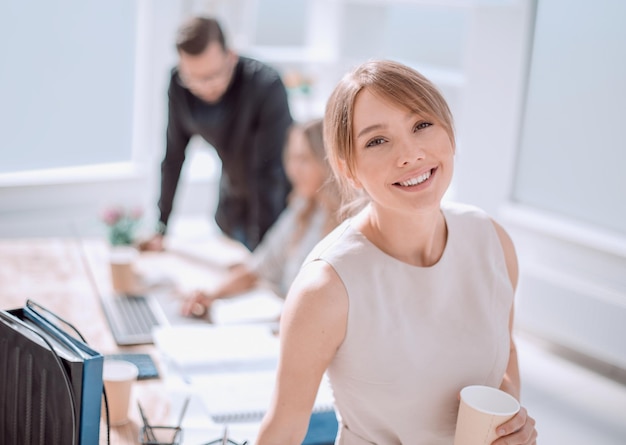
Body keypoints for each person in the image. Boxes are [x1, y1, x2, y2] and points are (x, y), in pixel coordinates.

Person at [256, 60, 538, 444]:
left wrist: (509, 424)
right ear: (348, 169)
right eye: (376, 140)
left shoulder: (492, 242)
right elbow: (283, 431)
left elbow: (504, 359)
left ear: (449, 132)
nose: (410, 155)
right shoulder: (325, 287)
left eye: (422, 125)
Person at [142, 16, 293, 252]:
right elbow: (173, 157)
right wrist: (161, 226)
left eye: (212, 75)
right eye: (192, 78)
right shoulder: (178, 86)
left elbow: (268, 173)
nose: (203, 87)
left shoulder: (266, 86)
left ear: (230, 57)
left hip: (274, 208)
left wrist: (263, 253)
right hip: (230, 207)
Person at [180, 118, 340, 318]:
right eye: (291, 158)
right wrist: (211, 294)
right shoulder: (301, 209)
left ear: (328, 161)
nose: (294, 169)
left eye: (304, 159)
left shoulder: (346, 222)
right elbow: (258, 268)